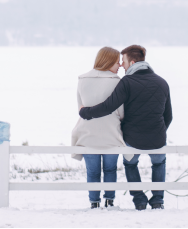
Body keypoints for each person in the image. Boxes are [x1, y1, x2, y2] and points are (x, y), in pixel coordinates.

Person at [79, 45, 172, 211]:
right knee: (159, 163)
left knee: (130, 164)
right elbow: (168, 116)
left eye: (124, 61)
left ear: (133, 62)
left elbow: (109, 106)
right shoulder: (162, 82)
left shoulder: (127, 82)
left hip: (132, 139)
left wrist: (86, 112)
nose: (122, 65)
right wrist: (159, 131)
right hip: (157, 138)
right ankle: (158, 200)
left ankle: (139, 200)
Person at [71, 47, 125, 209]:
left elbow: (80, 108)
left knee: (92, 171)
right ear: (108, 62)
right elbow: (121, 112)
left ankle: (94, 202)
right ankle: (109, 200)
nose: (120, 66)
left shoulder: (82, 79)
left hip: (88, 133)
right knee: (110, 169)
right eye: (117, 62)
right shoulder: (116, 82)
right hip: (111, 133)